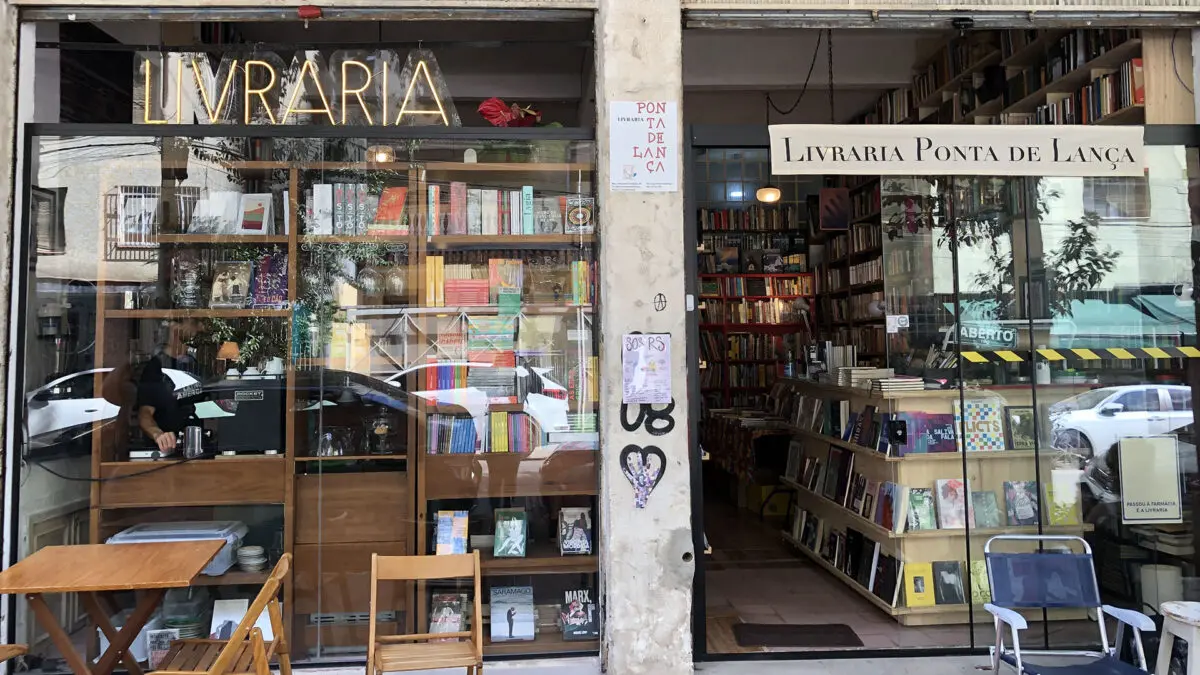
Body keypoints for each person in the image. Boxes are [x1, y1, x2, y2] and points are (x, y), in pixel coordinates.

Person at [137, 318, 200, 454]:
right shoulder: (156, 367)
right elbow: (144, 413)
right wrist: (158, 435)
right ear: (174, 326)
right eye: (193, 322)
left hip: (198, 448)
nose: (197, 328)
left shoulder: (194, 365)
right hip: (165, 452)